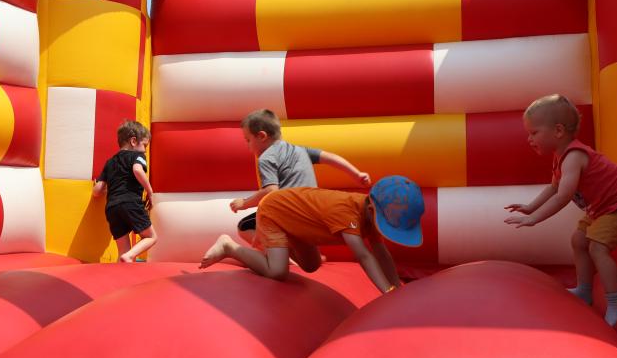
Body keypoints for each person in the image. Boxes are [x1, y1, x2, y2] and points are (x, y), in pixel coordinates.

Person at [504, 94, 617, 326]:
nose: (529, 139)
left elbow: (564, 195)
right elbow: (554, 187)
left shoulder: (574, 156)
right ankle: (584, 290)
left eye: (534, 132)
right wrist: (530, 208)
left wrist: (536, 219)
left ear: (558, 131)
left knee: (597, 248)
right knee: (579, 240)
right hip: (602, 208)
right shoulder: (559, 157)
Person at [201, 175, 424, 294]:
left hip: (299, 224)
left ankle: (278, 247)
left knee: (311, 266)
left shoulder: (370, 215)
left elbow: (381, 251)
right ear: (372, 209)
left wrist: (398, 289)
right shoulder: (346, 212)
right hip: (276, 211)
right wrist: (387, 291)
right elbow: (364, 255)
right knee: (277, 271)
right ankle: (229, 246)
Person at [231, 109, 371, 244]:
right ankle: (292, 253)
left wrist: (244, 203)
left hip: (290, 213)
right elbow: (330, 157)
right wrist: (356, 174)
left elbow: (271, 192)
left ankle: (276, 254)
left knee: (244, 227)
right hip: (311, 213)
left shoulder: (266, 158)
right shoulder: (300, 150)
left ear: (261, 136)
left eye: (248, 140)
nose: (247, 145)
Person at [93, 120, 157, 263]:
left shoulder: (110, 162)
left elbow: (97, 191)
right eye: (145, 145)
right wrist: (150, 192)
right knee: (151, 237)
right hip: (130, 203)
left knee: (123, 252)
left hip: (112, 208)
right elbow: (137, 170)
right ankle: (129, 256)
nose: (145, 150)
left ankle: (124, 269)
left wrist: (102, 186)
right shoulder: (138, 156)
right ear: (133, 141)